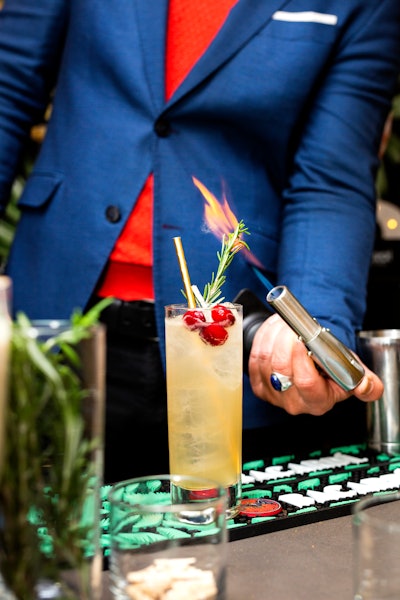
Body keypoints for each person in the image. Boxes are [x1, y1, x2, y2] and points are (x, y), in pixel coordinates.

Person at [0, 1, 399, 483]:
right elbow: (7, 90)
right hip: (54, 313)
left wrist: (312, 323)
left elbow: (331, 177)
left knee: (232, 547)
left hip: (227, 349)